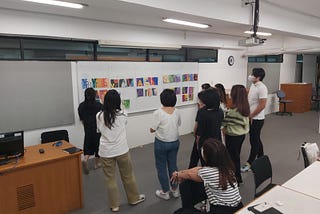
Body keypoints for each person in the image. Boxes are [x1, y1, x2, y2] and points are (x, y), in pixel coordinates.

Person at [96, 90, 145, 212]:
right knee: (128, 176)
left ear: (105, 101)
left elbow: (99, 131)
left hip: (106, 152)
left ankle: (115, 205)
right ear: (118, 101)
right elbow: (122, 123)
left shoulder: (99, 116)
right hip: (122, 150)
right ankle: (134, 198)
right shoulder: (124, 114)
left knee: (110, 179)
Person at [171, 138, 243, 214]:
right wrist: (181, 173)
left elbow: (189, 174)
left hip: (222, 210)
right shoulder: (227, 167)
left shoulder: (208, 173)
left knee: (179, 212)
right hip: (238, 207)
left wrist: (178, 174)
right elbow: (199, 169)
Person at [150, 89, 181, 200]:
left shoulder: (158, 112)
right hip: (175, 142)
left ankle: (165, 192)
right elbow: (178, 124)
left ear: (162, 100)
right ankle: (175, 190)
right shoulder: (177, 111)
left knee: (161, 167)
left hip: (161, 143)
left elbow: (152, 129)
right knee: (173, 165)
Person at [241, 68, 268, 172]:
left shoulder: (262, 88)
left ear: (258, 77)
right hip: (251, 117)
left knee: (254, 140)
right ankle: (261, 157)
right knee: (256, 139)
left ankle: (250, 162)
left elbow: (262, 105)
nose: (250, 75)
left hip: (257, 118)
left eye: (252, 74)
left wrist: (251, 116)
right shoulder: (253, 85)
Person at [222, 85, 250, 184]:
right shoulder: (244, 107)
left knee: (232, 158)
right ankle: (237, 178)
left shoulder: (233, 111)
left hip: (232, 136)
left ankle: (236, 178)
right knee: (236, 155)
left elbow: (223, 123)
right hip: (241, 135)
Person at [195, 88, 224, 166]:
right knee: (215, 163)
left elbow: (199, 132)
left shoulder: (202, 112)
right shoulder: (220, 111)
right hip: (216, 141)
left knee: (205, 164)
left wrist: (197, 143)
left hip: (205, 143)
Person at [78, 87, 103, 174]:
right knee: (97, 146)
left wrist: (86, 126)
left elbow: (82, 120)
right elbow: (102, 118)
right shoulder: (99, 105)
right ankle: (97, 164)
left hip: (87, 129)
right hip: (97, 129)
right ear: (94, 95)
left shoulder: (81, 106)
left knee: (88, 145)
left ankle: (85, 160)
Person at [189, 83, 211, 168]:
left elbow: (197, 130)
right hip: (211, 138)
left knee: (199, 156)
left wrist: (196, 137)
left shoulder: (202, 112)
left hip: (202, 139)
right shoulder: (218, 111)